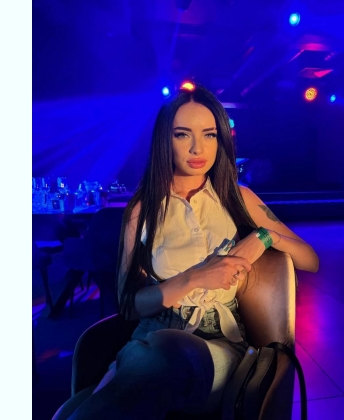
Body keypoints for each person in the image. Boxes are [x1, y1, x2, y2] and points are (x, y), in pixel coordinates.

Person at [52, 83, 319, 419]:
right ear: (165, 139)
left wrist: (263, 237)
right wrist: (195, 277)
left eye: (209, 135)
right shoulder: (142, 210)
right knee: (72, 409)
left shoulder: (239, 198)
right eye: (182, 135)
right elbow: (129, 305)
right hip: (150, 337)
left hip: (219, 343)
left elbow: (310, 259)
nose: (197, 148)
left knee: (167, 353)